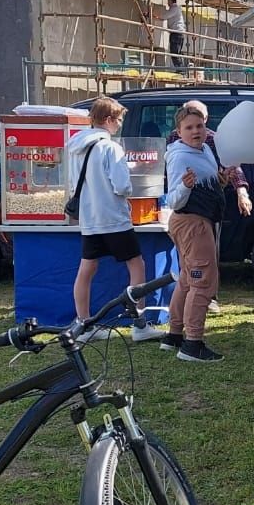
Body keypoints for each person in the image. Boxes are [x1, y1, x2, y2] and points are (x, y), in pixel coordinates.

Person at [66, 96, 162, 341]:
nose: (120, 125)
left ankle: (84, 323)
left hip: (89, 218)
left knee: (87, 269)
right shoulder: (111, 147)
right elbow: (122, 186)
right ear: (108, 119)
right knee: (136, 265)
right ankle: (139, 323)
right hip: (114, 217)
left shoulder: (76, 146)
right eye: (118, 120)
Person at [161, 101, 246, 361]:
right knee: (203, 281)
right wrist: (185, 187)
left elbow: (208, 183)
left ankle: (174, 336)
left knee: (188, 279)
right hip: (191, 223)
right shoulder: (179, 156)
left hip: (199, 222)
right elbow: (174, 200)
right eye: (189, 127)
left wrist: (221, 179)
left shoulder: (204, 150)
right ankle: (193, 344)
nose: (196, 131)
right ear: (179, 130)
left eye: (199, 126)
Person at [164, 0, 187, 70]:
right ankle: (180, 69)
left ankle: (180, 69)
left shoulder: (174, 8)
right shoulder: (176, 9)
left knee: (175, 52)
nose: (167, 3)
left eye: (168, 2)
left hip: (176, 33)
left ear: (171, 1)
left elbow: (166, 15)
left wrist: (156, 15)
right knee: (176, 52)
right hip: (178, 33)